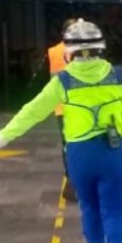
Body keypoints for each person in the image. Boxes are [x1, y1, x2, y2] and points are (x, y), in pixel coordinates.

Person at [0, 19, 122, 243]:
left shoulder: (63, 81)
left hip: (80, 155)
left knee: (89, 207)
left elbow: (33, 111)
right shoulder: (118, 78)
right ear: (101, 48)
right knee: (114, 210)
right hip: (114, 152)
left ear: (69, 51)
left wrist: (3, 137)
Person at [47, 18, 78, 203]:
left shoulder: (53, 52)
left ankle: (71, 179)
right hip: (81, 107)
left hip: (62, 107)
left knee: (67, 144)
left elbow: (54, 83)